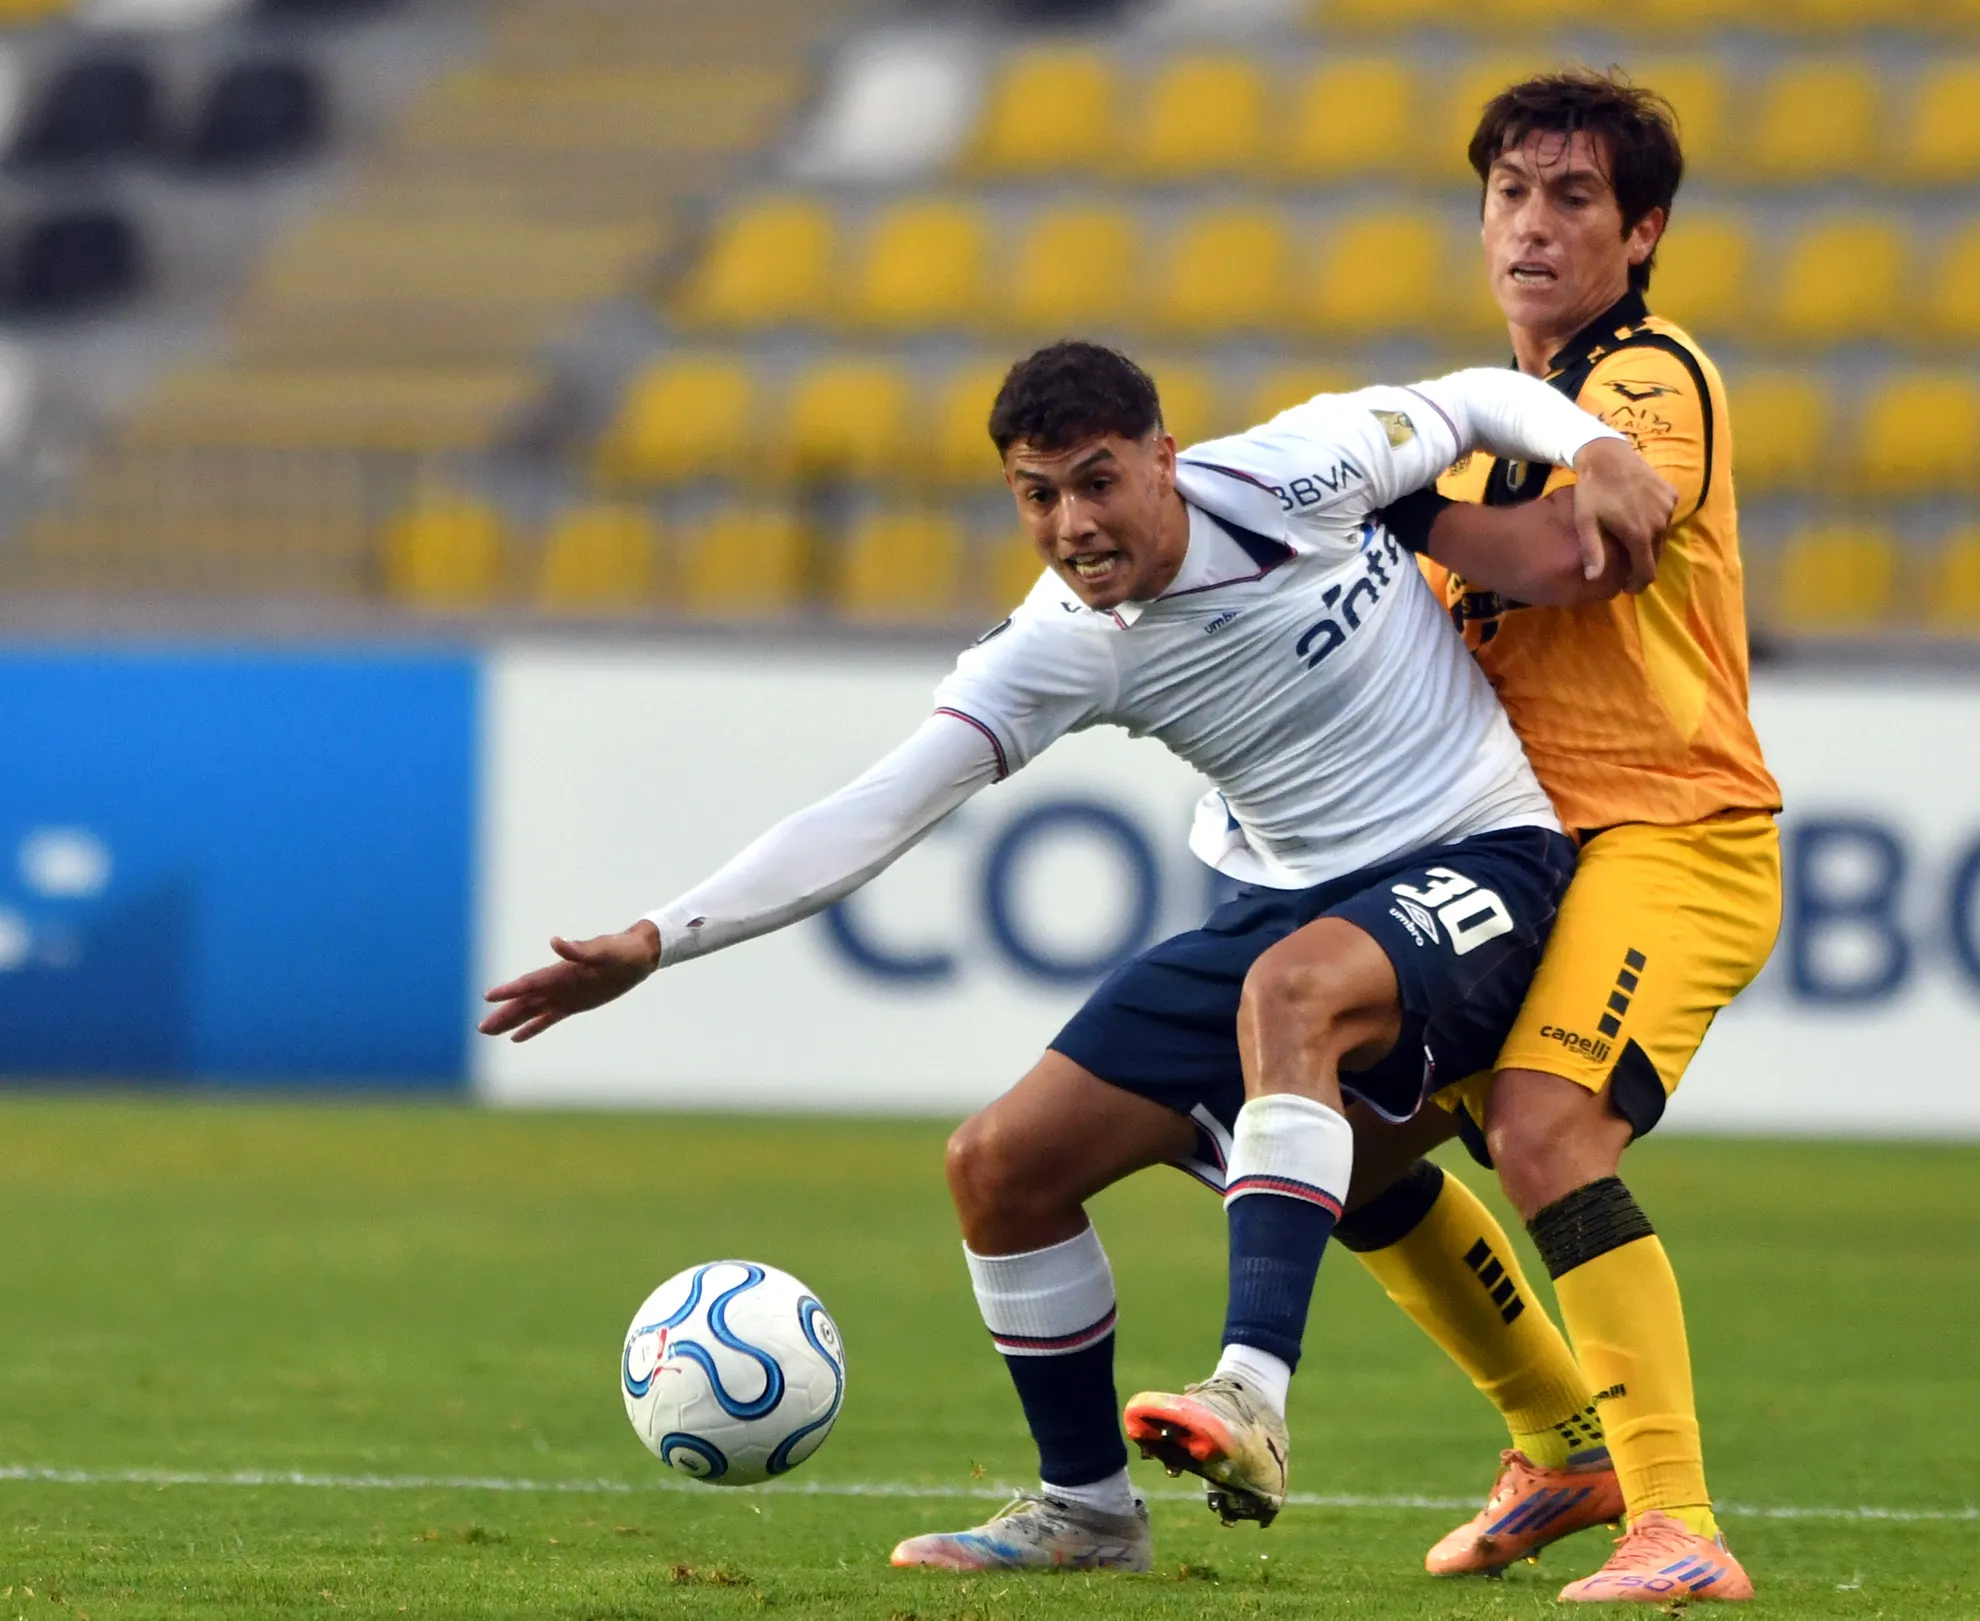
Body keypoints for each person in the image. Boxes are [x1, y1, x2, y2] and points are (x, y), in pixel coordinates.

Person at [478, 340, 1679, 1573]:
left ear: (1165, 459)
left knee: (1292, 1000)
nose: (1071, 525)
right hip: (1283, 906)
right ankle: (1090, 1511)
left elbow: (1476, 397)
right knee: (1001, 1166)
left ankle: (1252, 1394)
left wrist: (1595, 451)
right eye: (1036, 494)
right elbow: (874, 811)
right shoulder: (1059, 642)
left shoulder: (1296, 470)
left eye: (1096, 482)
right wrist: (654, 940)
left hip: (1484, 855)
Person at [1328, 72, 1787, 1604]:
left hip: (1674, 830)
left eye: (1573, 197)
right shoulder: (1460, 442)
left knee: (1544, 1125)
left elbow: (1591, 551)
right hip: (1524, 854)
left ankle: (1678, 1523)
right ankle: (1557, 1437)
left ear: (1640, 232)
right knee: (1342, 1115)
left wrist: (1386, 512)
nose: (1532, 224)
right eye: (1510, 194)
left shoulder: (1645, 379)